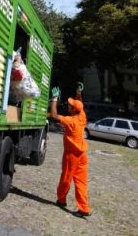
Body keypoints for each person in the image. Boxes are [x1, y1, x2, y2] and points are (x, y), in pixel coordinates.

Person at [49, 82, 91, 216]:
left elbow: (54, 116)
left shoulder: (71, 121)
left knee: (66, 178)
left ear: (73, 110)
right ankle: (84, 208)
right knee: (81, 182)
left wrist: (54, 99)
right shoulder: (82, 117)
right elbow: (80, 106)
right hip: (82, 155)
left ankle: (61, 200)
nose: (68, 105)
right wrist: (78, 93)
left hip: (71, 156)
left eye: (70, 105)